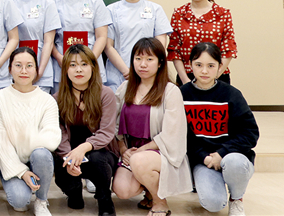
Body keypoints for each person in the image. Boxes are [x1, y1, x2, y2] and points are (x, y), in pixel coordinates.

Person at [111, 38, 192, 216]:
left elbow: (172, 133)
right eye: (138, 59)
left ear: (160, 63)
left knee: (139, 161)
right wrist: (124, 150)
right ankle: (149, 188)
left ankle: (159, 201)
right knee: (122, 190)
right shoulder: (125, 88)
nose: (143, 64)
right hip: (132, 152)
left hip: (161, 152)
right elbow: (114, 125)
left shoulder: (170, 91)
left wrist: (140, 152)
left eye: (149, 59)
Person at [180, 43, 259, 216]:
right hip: (203, 161)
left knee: (234, 163)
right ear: (190, 65)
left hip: (231, 156)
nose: (204, 71)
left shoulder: (231, 94)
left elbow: (250, 133)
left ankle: (236, 199)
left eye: (211, 66)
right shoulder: (182, 94)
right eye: (198, 65)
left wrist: (222, 153)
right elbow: (181, 136)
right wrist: (204, 157)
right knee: (214, 204)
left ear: (220, 66)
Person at [0, 47, 60, 216]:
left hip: (39, 160)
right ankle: (21, 186)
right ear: (10, 69)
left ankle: (41, 201)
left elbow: (51, 137)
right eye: (18, 65)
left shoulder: (47, 100)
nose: (24, 71)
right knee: (20, 201)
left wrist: (25, 141)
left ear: (36, 70)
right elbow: (1, 143)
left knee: (41, 153)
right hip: (12, 161)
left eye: (29, 66)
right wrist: (22, 172)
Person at [53, 44, 118, 216]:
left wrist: (82, 148)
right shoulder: (57, 98)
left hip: (100, 153)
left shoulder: (106, 94)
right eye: (72, 65)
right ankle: (73, 192)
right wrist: (69, 158)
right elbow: (60, 133)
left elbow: (106, 132)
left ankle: (105, 199)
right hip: (68, 153)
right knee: (59, 167)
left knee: (97, 159)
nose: (78, 69)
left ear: (93, 67)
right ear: (65, 70)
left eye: (84, 64)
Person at [105, 0, 172, 91]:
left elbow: (161, 44)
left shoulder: (155, 9)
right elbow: (108, 46)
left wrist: (149, 67)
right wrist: (126, 71)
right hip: (119, 72)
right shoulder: (110, 10)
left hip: (149, 71)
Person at [51, 0, 112, 91]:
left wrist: (89, 59)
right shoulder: (51, 2)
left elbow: (102, 36)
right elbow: (49, 38)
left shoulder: (95, 1)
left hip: (91, 60)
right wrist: (60, 58)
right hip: (62, 62)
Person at [168, 0, 236, 85]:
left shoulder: (222, 14)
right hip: (187, 78)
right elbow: (175, 50)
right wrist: (185, 80)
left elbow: (228, 49)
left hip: (217, 77)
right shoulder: (179, 14)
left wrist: (213, 77)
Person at [13, 0, 60, 94]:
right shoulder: (10, 3)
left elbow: (48, 42)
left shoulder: (47, 3)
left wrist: (39, 71)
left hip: (41, 67)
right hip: (16, 69)